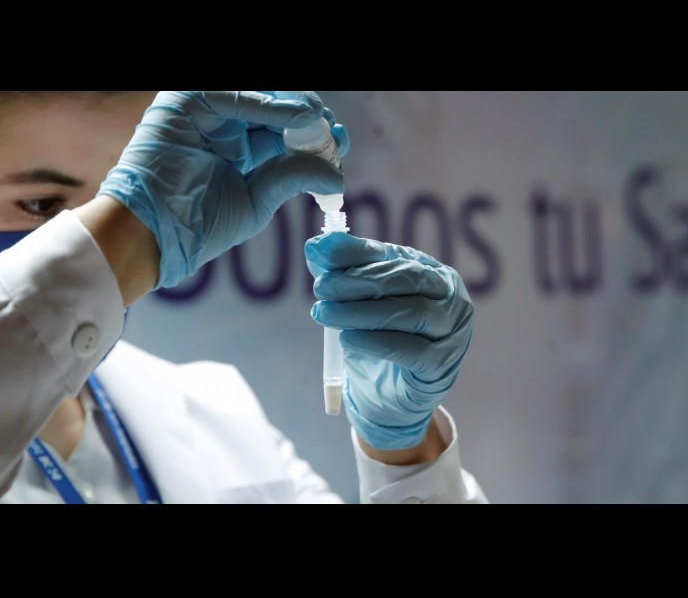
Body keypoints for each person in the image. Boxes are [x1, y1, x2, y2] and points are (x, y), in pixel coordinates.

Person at [0, 91, 488, 504]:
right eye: (39, 203)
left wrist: (405, 457)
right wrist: (123, 233)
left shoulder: (221, 415)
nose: (94, 227)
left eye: (126, 184)